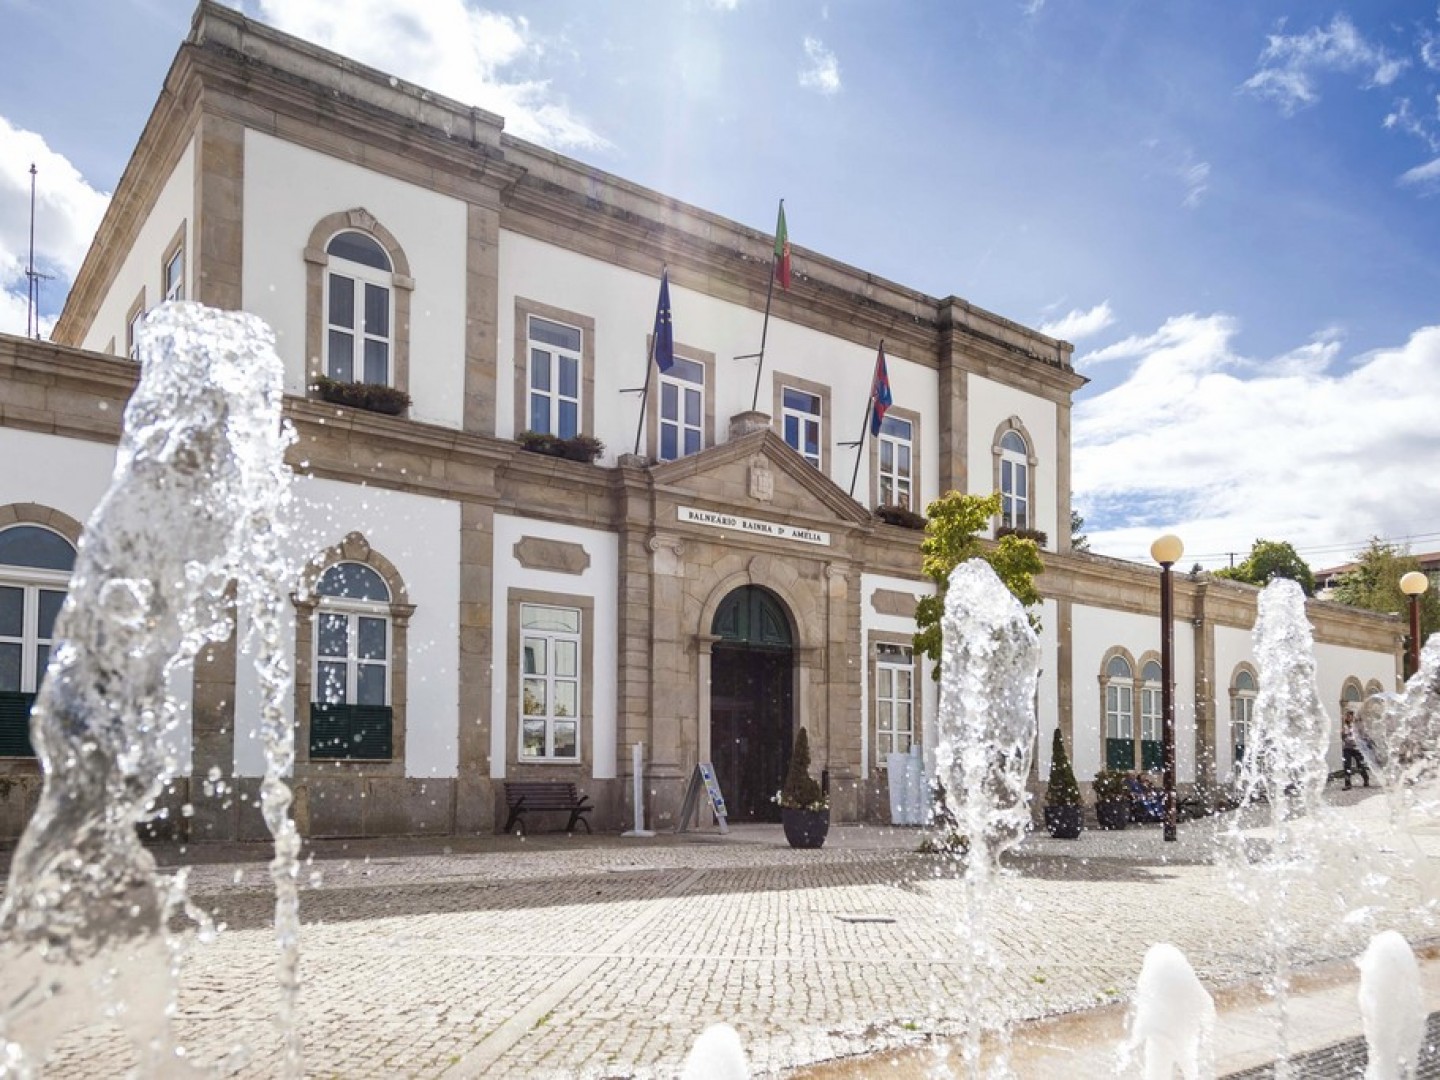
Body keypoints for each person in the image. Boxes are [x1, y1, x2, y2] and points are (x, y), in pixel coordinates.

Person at [1342, 715, 1370, 789]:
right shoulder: (1345, 726)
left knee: (1360, 765)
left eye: (1350, 716)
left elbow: (1363, 736)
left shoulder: (1358, 726)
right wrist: (1344, 734)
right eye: (1347, 716)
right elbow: (1343, 737)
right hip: (1347, 748)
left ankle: (1366, 778)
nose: (1348, 718)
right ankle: (1347, 784)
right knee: (1347, 765)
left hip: (1357, 748)